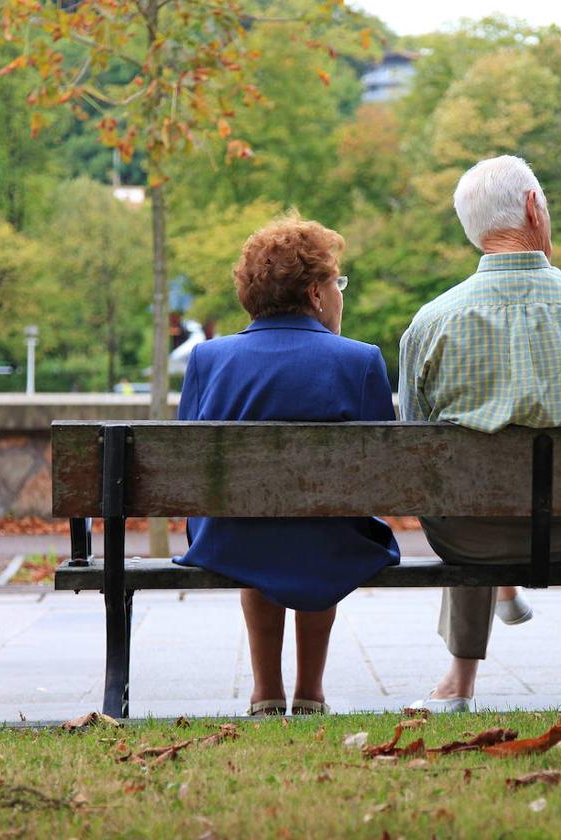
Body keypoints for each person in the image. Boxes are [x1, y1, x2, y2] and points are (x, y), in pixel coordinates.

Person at [399, 155, 561, 712]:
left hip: (467, 537)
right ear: (535, 208)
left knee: (465, 497)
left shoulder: (431, 321)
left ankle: (460, 679)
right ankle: (496, 609)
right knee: (482, 494)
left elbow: (414, 453)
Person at [174, 214, 400, 716]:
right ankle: (311, 692)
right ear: (317, 295)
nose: (340, 293)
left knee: (257, 529)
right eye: (336, 282)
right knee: (322, 526)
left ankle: (266, 691)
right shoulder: (360, 361)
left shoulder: (208, 360)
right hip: (331, 539)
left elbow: (189, 469)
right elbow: (382, 477)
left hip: (231, 538)